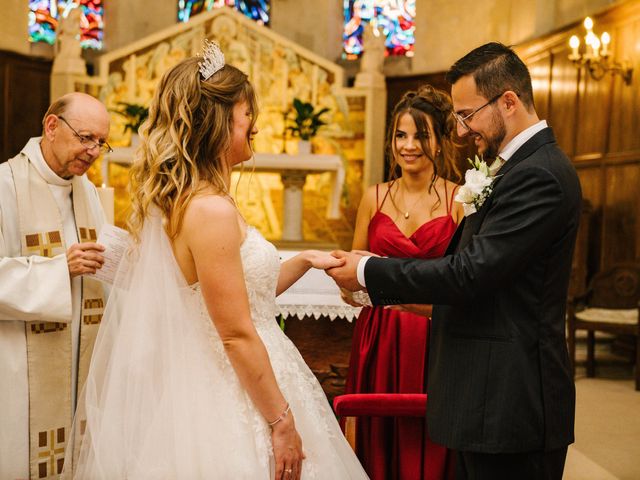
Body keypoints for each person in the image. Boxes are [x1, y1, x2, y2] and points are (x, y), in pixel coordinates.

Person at [64, 42, 369, 479]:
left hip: (243, 374)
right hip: (233, 392)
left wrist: (304, 261)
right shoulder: (210, 210)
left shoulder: (199, 201)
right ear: (220, 120)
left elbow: (238, 299)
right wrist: (281, 423)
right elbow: (235, 334)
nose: (255, 123)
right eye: (247, 113)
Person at [327, 42, 581, 480]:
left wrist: (370, 269)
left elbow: (469, 274)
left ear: (508, 101)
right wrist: (390, 295)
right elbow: (482, 283)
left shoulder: (539, 175)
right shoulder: (514, 168)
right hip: (486, 399)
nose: (461, 132)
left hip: (510, 402)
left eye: (466, 115)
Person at [342, 85, 461, 480]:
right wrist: (352, 287)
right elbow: (352, 275)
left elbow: (462, 279)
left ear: (440, 142)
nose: (408, 146)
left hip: (433, 333)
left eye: (420, 135)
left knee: (429, 434)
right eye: (400, 135)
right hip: (380, 333)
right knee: (380, 431)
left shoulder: (459, 201)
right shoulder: (373, 198)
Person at [0, 92, 110, 479]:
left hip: (80, 362)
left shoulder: (89, 194)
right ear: (51, 127)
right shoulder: (4, 186)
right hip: (19, 366)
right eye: (86, 138)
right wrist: (57, 270)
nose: (94, 150)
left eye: (100, 142)